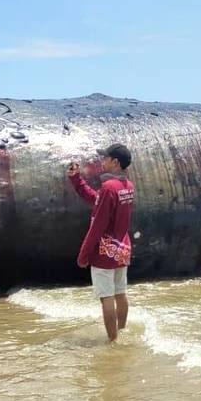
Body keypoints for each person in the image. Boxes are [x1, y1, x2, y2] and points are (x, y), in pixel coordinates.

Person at [67, 144, 136, 342]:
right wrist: (76, 179)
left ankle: (112, 342)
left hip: (104, 252)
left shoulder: (108, 188)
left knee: (106, 297)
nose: (102, 162)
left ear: (115, 162)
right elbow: (96, 199)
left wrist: (83, 255)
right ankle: (121, 332)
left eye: (105, 159)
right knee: (120, 293)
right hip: (122, 248)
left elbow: (98, 225)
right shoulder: (127, 187)